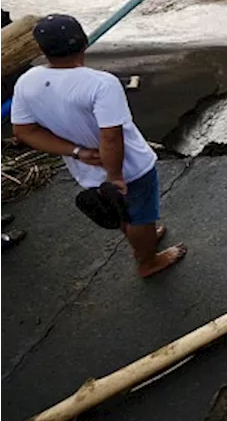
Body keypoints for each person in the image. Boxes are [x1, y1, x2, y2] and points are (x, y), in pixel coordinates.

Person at [11, 15, 186, 277]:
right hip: (129, 167)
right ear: (84, 42)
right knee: (141, 215)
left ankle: (141, 238)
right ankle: (148, 261)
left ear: (41, 49)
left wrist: (77, 152)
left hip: (85, 168)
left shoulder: (28, 81)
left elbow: (24, 131)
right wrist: (115, 177)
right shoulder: (100, 83)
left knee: (118, 210)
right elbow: (111, 137)